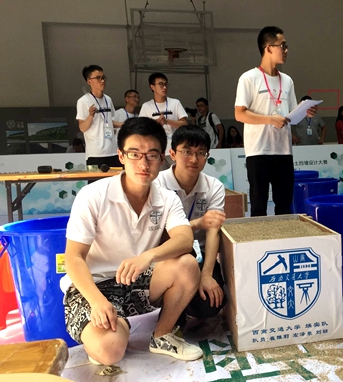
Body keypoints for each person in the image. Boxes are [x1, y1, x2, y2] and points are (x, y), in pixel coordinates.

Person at [61, 117, 204, 366]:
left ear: (162, 158)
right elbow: (73, 257)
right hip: (94, 286)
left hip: (136, 279)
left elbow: (184, 239)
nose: (143, 163)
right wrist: (97, 302)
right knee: (109, 350)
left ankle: (162, 336)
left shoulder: (167, 198)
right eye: (135, 154)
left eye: (152, 155)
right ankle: (115, 329)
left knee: (187, 264)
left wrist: (148, 256)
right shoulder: (93, 195)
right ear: (121, 156)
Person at [234, 26, 316, 216]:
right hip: (258, 151)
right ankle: (259, 237)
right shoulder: (249, 78)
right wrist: (270, 119)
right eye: (282, 45)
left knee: (284, 206)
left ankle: (284, 235)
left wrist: (305, 112)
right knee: (258, 206)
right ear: (268, 47)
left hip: (283, 150)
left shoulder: (287, 80)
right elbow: (239, 114)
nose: (286, 50)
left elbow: (292, 115)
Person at [155, 125, 227, 328]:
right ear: (172, 154)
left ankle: (185, 301)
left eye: (201, 153)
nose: (194, 159)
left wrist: (206, 275)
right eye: (187, 152)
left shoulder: (214, 186)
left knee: (210, 305)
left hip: (200, 255)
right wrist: (197, 223)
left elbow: (213, 232)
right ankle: (171, 305)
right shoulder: (158, 184)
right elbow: (157, 233)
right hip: (166, 254)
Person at [76, 65, 123, 168]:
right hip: (95, 154)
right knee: (96, 179)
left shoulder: (108, 99)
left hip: (113, 151)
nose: (102, 81)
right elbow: (82, 128)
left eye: (103, 77)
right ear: (89, 81)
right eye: (98, 78)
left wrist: (124, 124)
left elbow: (109, 122)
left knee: (115, 178)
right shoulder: (83, 101)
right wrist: (90, 116)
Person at [139, 72, 188, 160]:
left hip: (175, 149)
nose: (164, 87)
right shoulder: (146, 106)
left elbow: (184, 124)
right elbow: (141, 128)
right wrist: (156, 123)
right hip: (155, 149)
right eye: (161, 84)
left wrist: (167, 121)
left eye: (166, 84)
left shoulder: (175, 103)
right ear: (152, 87)